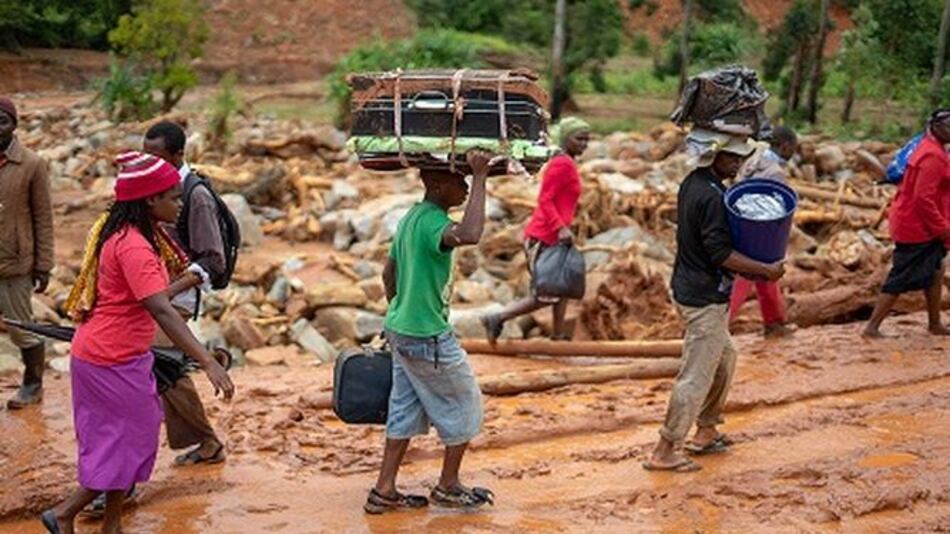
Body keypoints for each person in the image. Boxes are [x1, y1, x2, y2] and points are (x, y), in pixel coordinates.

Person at [41, 151, 234, 534]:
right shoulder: (135, 246)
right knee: (121, 444)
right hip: (108, 357)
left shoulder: (135, 236)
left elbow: (152, 295)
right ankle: (63, 514)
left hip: (115, 354)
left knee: (129, 439)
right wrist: (207, 361)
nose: (179, 204)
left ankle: (112, 525)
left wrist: (189, 281)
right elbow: (161, 309)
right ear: (150, 200)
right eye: (173, 197)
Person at [644, 130, 785, 472]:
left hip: (692, 287)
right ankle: (665, 449)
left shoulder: (695, 183)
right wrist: (765, 269)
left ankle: (706, 431)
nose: (737, 164)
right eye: (731, 157)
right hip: (703, 295)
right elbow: (721, 253)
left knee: (726, 358)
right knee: (696, 373)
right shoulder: (712, 197)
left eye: (740, 158)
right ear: (714, 156)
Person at [366, 151, 494, 514]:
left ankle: (384, 490)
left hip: (401, 330)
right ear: (437, 184)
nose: (466, 186)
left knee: (404, 409)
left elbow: (387, 274)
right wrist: (483, 174)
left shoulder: (410, 219)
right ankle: (449, 486)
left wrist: (398, 309)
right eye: (460, 180)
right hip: (427, 335)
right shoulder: (432, 223)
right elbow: (470, 234)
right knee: (466, 404)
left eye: (469, 180)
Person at [143, 120, 229, 466]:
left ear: (179, 154)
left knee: (168, 370)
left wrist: (165, 292)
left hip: (173, 298)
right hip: (157, 293)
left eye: (158, 156)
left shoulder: (196, 197)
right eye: (145, 155)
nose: (150, 162)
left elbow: (213, 258)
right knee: (165, 369)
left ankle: (208, 442)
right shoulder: (156, 186)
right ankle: (203, 441)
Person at [480, 117, 591, 343]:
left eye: (587, 140)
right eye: (579, 139)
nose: (584, 144)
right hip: (545, 236)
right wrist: (560, 227)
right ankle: (498, 317)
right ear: (565, 139)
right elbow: (545, 199)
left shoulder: (566, 161)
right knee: (546, 293)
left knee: (562, 287)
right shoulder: (562, 163)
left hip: (556, 237)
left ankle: (558, 336)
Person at [863, 109, 950, 338]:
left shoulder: (930, 148)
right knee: (900, 276)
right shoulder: (933, 156)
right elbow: (923, 199)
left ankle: (934, 323)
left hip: (918, 221)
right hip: (917, 225)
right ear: (935, 127)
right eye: (948, 125)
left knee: (936, 269)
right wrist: (943, 229)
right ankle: (872, 327)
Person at [0, 96, 54, 409]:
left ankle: (33, 383)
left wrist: (43, 265)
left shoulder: (32, 164)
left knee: (21, 328)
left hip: (15, 263)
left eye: (2, 121)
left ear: (14, 125)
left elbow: (43, 217)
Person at [729, 125, 797, 338]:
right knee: (745, 280)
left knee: (764, 278)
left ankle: (774, 323)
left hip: (740, 225)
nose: (793, 153)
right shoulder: (775, 172)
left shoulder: (754, 161)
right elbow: (777, 208)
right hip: (761, 231)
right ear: (785, 146)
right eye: (793, 148)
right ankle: (719, 324)